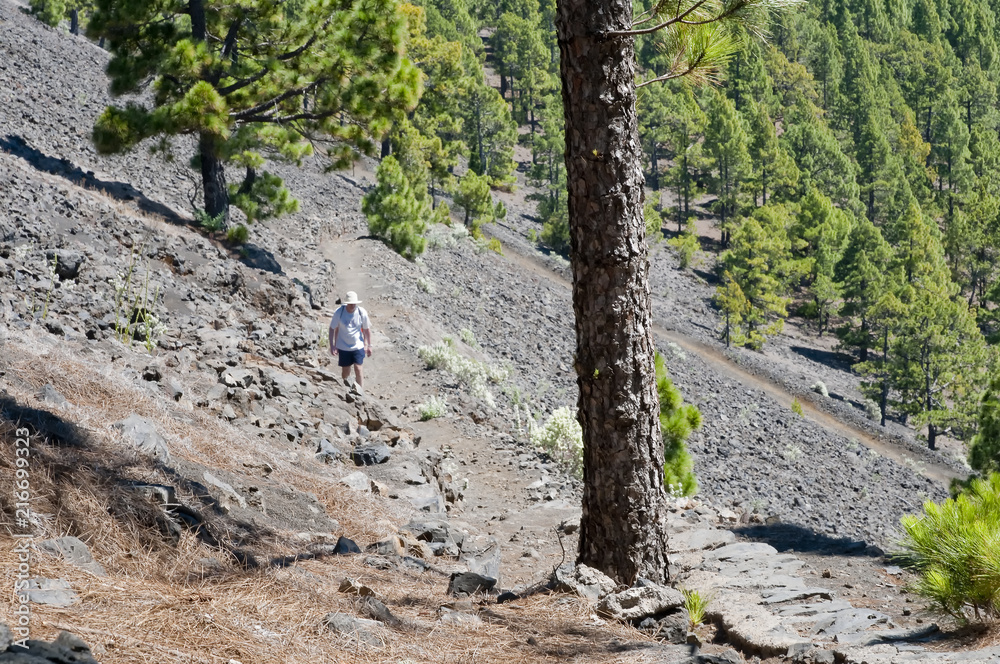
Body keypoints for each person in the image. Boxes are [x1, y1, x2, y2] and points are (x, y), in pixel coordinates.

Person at [329, 291, 372, 392]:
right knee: (345, 371)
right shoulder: (339, 312)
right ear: (347, 303)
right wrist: (332, 345)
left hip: (358, 345)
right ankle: (346, 390)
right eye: (350, 303)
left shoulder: (361, 312)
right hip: (343, 346)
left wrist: (369, 345)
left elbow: (366, 329)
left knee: (358, 368)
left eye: (354, 303)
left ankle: (360, 392)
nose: (352, 305)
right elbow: (332, 328)